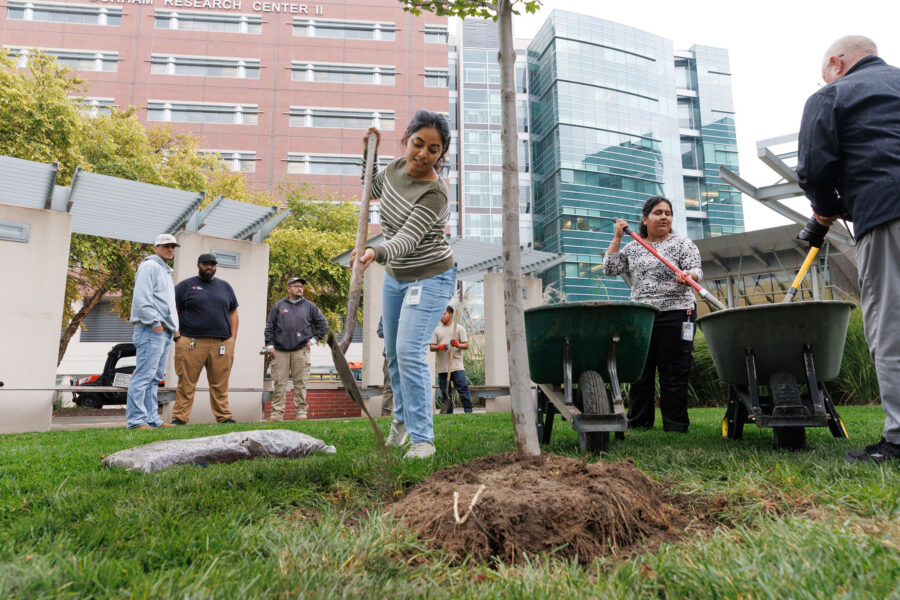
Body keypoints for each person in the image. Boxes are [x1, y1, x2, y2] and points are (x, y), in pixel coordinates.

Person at [797, 36, 900, 463]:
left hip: (888, 210)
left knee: (891, 325)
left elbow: (815, 168)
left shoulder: (832, 94)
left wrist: (825, 212)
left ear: (837, 63)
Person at [350, 109, 456, 459]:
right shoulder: (395, 169)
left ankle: (423, 439)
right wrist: (369, 155)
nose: (423, 154)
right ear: (408, 138)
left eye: (434, 149)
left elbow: (407, 239)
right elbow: (370, 185)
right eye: (418, 144)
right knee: (393, 354)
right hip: (397, 277)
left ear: (442, 154)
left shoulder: (435, 194)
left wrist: (373, 251)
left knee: (410, 351)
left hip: (430, 276)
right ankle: (400, 420)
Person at [603, 196, 702, 434]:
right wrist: (617, 237)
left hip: (678, 312)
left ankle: (676, 425)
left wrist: (689, 275)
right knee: (640, 371)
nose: (664, 217)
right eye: (658, 213)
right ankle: (639, 422)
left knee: (675, 370)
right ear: (644, 219)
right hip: (642, 316)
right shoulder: (633, 247)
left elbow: (696, 269)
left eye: (668, 213)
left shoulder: (682, 243)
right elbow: (609, 268)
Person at [171, 253, 238, 425]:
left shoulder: (225, 287)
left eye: (213, 264)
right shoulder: (185, 286)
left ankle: (224, 417)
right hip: (191, 342)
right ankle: (180, 417)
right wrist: (177, 335)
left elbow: (233, 312)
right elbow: (172, 309)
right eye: (206, 264)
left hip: (221, 344)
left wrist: (232, 339)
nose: (210, 267)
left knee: (220, 384)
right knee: (186, 383)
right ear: (198, 265)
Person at [126, 233, 180, 429]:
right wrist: (155, 324)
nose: (170, 249)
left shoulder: (164, 270)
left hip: (163, 332)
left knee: (154, 378)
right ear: (156, 248)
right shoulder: (149, 266)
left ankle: (152, 420)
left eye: (173, 246)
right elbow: (142, 299)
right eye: (166, 246)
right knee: (143, 376)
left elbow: (166, 304)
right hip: (151, 330)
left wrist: (173, 329)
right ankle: (136, 421)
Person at [264, 277, 328, 421]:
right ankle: (276, 415)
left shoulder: (310, 306)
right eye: (296, 286)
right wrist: (270, 345)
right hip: (280, 351)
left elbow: (323, 324)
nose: (300, 288)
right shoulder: (279, 305)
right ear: (288, 288)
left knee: (301, 383)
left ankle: (301, 414)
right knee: (280, 384)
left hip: (301, 351)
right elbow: (270, 327)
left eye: (302, 286)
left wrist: (313, 340)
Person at [430, 306, 472, 414]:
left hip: (456, 366)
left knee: (463, 389)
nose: (441, 316)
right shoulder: (437, 330)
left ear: (451, 314)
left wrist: (458, 345)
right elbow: (431, 347)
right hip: (443, 367)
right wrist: (439, 347)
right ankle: (448, 412)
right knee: (445, 392)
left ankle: (468, 411)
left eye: (444, 314)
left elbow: (466, 345)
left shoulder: (459, 328)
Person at [377, 316, 394, 417]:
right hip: (390, 356)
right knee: (389, 386)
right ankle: (385, 414)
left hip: (405, 356)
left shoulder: (407, 312)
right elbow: (380, 332)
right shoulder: (386, 315)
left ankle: (408, 413)